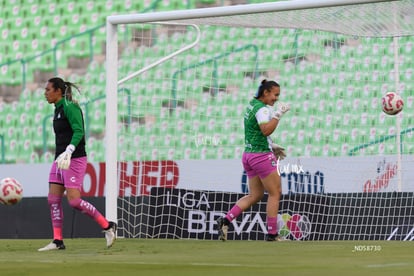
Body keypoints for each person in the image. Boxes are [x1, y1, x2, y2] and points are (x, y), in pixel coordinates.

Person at [38, 77, 117, 251]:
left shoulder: (69, 107)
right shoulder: (58, 109)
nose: (45, 93)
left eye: (48, 90)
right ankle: (58, 241)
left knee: (74, 201)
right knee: (53, 199)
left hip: (74, 158)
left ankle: (107, 225)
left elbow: (79, 130)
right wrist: (63, 154)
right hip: (60, 159)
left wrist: (70, 150)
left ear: (58, 91)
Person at [217, 79, 289, 242]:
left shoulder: (252, 104)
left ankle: (225, 220)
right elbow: (265, 130)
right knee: (275, 193)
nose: (276, 98)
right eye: (275, 95)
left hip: (249, 155)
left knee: (255, 195)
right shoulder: (262, 110)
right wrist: (278, 114)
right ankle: (272, 234)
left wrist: (272, 144)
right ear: (266, 92)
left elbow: (255, 131)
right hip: (261, 156)